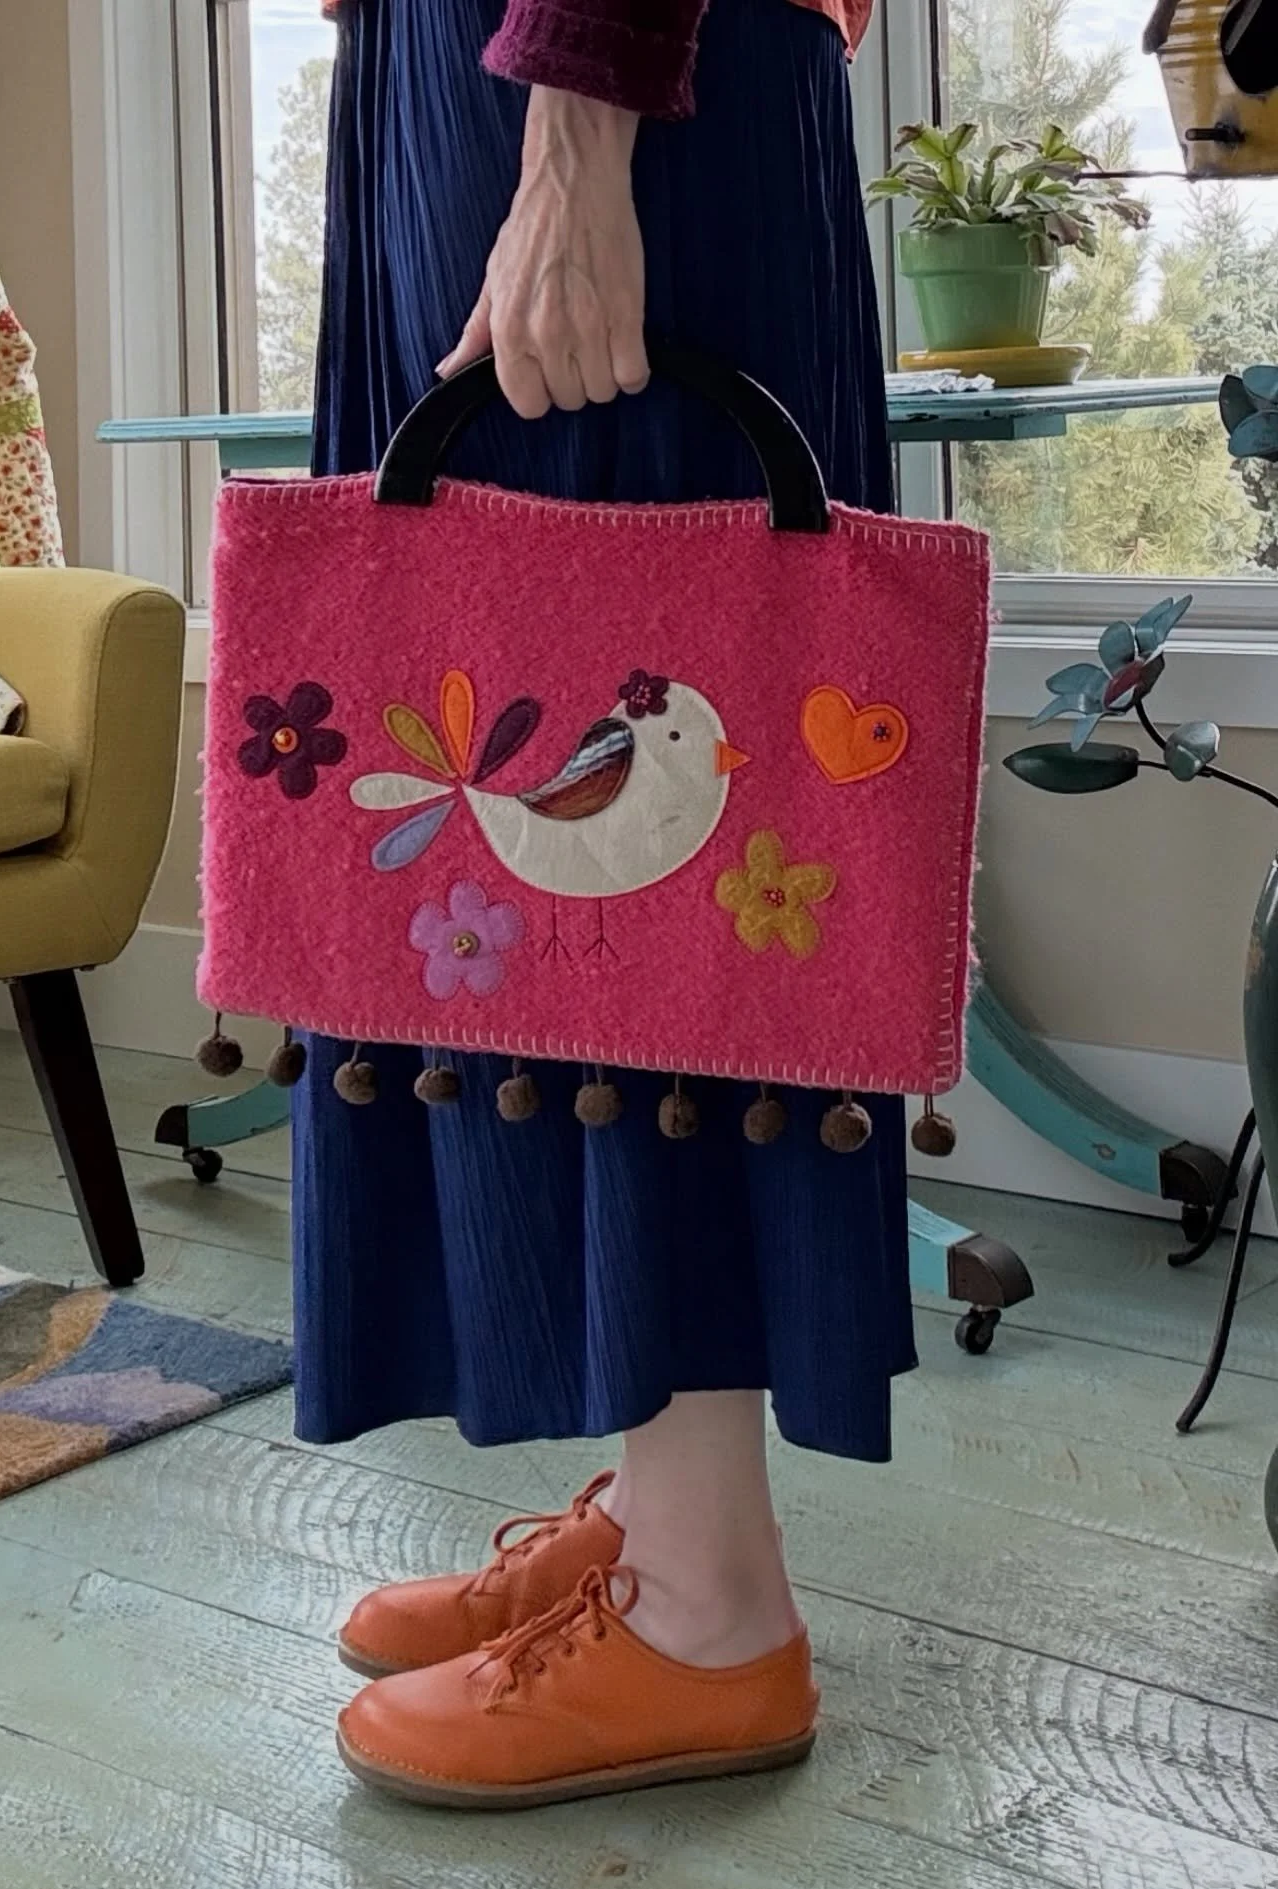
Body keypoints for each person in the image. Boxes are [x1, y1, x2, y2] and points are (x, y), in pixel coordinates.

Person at [297, 0, 913, 1810]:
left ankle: (711, 1605)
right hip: (502, 75)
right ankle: (660, 1511)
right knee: (516, 837)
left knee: (657, 869)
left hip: (620, 63)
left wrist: (578, 122)